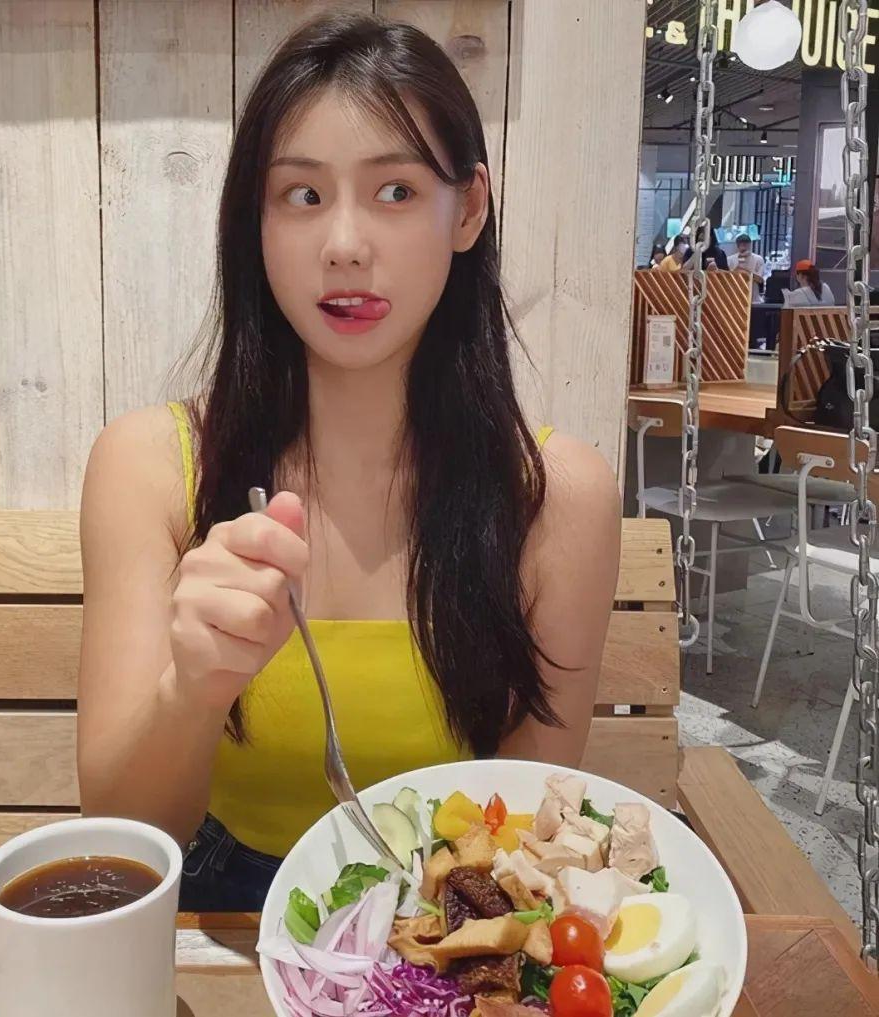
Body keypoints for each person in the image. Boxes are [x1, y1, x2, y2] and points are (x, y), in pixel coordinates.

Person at [76, 11, 621, 912]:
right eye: (302, 195)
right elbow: (123, 831)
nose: (344, 245)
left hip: (446, 919)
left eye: (396, 191)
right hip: (218, 917)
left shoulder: (555, 498)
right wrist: (192, 688)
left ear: (468, 209)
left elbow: (527, 827)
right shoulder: (149, 467)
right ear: (255, 221)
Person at [727, 233, 765, 302]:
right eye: (741, 244)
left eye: (746, 244)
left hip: (753, 298)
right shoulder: (730, 259)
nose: (744, 247)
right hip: (735, 297)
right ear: (737, 246)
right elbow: (727, 279)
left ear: (750, 245)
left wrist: (745, 271)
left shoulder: (758, 259)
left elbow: (760, 280)